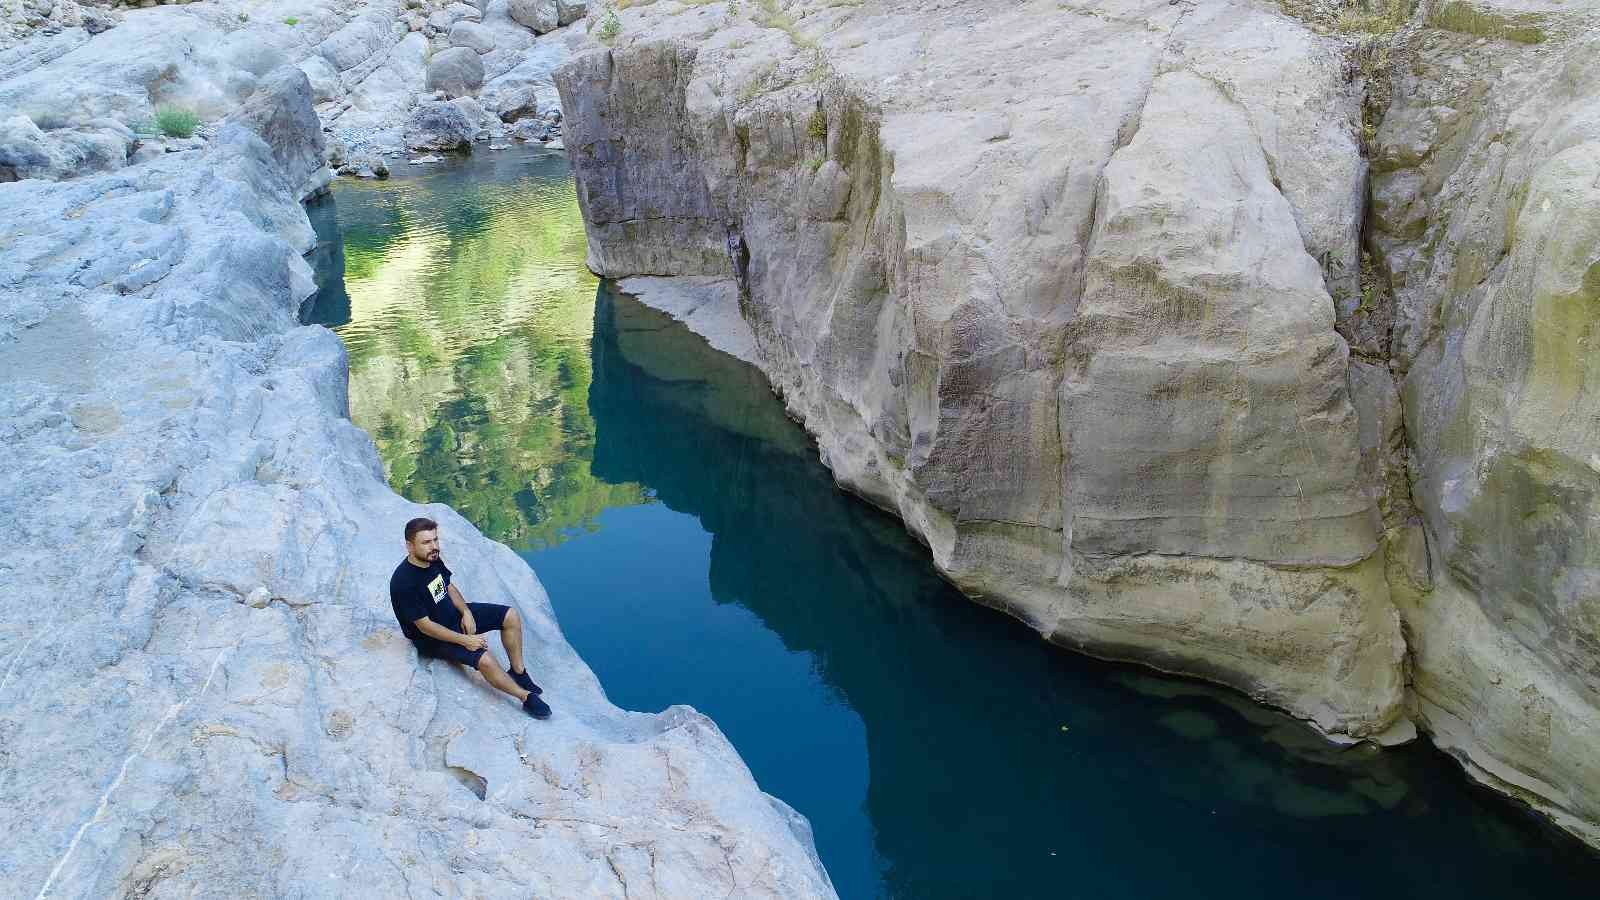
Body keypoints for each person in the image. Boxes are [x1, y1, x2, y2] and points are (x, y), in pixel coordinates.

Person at [389, 516, 551, 719]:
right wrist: (467, 640)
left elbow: (448, 586)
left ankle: (518, 672)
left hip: (452, 616)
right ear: (409, 546)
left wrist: (465, 612)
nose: (434, 546)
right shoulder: (404, 583)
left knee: (510, 616)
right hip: (432, 639)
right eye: (426, 542)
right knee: (485, 659)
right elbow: (425, 627)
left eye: (435, 540)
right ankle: (525, 697)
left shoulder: (432, 559)